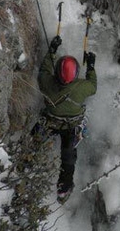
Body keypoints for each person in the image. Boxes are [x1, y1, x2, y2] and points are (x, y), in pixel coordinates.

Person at [36, 35, 97, 203]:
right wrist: (91, 67)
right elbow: (93, 86)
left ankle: (21, 167)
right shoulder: (82, 87)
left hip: (49, 121)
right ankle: (64, 190)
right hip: (71, 127)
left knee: (32, 143)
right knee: (68, 159)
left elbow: (43, 70)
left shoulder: (46, 82)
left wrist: (52, 50)